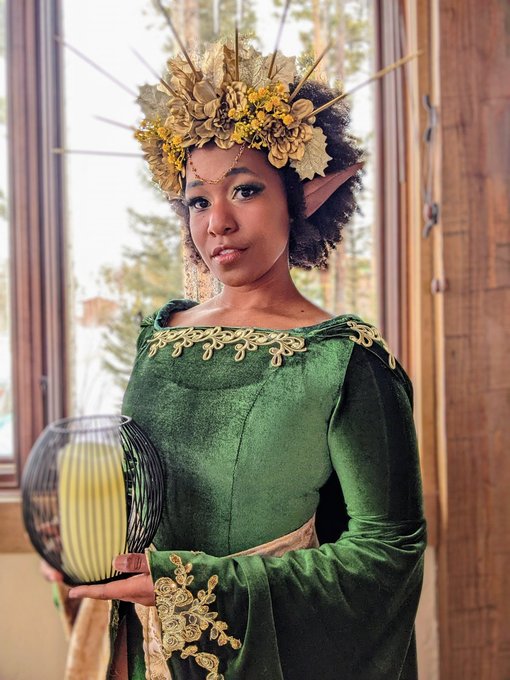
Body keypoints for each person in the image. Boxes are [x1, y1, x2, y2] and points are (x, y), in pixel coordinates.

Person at [49, 35, 426, 680]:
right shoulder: (160, 338)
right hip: (145, 653)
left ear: (301, 198)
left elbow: (387, 552)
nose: (217, 221)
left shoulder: (344, 359)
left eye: (245, 191)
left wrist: (192, 584)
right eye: (199, 199)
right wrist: (84, 541)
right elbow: (140, 491)